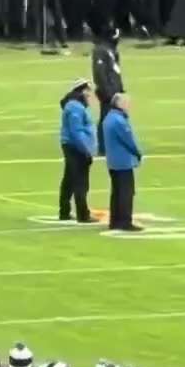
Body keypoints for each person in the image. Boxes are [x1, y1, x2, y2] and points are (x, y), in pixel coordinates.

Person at [102, 93, 143, 232]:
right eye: (126, 102)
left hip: (113, 161)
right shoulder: (119, 121)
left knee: (116, 192)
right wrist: (138, 152)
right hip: (123, 161)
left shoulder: (108, 118)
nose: (129, 105)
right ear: (119, 104)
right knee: (126, 192)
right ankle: (125, 221)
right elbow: (128, 140)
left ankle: (115, 221)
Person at [58, 79, 96, 224]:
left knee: (69, 179)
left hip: (72, 145)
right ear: (81, 90)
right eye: (87, 90)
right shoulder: (75, 107)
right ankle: (83, 214)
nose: (89, 94)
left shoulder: (74, 105)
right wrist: (86, 149)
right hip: (76, 147)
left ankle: (65, 211)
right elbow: (76, 131)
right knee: (81, 181)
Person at [91, 28, 124, 156]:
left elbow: (115, 72)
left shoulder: (111, 51)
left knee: (115, 118)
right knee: (106, 117)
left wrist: (120, 88)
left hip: (114, 90)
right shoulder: (100, 51)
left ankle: (113, 145)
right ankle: (103, 147)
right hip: (108, 91)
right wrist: (108, 92)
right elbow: (100, 73)